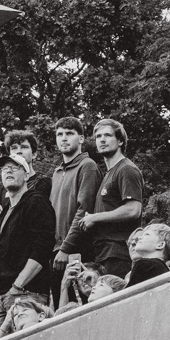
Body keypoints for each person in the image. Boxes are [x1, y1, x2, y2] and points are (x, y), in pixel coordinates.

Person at [0, 153, 56, 332]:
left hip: (27, 293)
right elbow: (9, 252)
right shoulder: (6, 210)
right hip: (5, 295)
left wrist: (18, 285)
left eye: (15, 167)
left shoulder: (36, 201)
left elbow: (42, 249)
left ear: (27, 175)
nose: (9, 171)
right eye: (5, 168)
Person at [62, 118, 146, 277]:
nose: (102, 140)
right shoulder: (108, 173)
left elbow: (133, 209)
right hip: (103, 254)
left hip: (119, 253)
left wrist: (95, 217)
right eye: (98, 137)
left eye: (107, 135)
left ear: (120, 141)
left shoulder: (126, 169)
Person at [48, 118, 99, 276]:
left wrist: (66, 248)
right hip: (56, 252)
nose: (63, 138)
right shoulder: (56, 173)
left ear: (81, 138)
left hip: (78, 251)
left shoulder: (87, 166)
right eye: (60, 134)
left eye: (69, 133)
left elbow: (84, 210)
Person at [125, 223, 170, 287]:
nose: (139, 237)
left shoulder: (144, 265)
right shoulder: (164, 270)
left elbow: (129, 294)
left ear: (160, 245)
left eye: (147, 234)